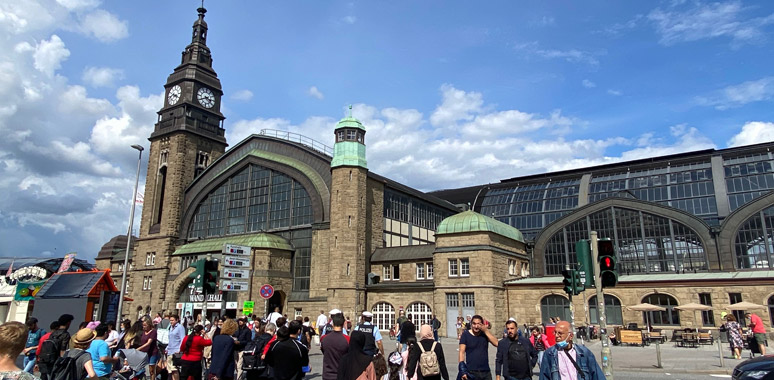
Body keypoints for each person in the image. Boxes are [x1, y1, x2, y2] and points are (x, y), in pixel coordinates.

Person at [538, 321, 605, 380]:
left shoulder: (584, 353)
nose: (556, 336)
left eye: (560, 333)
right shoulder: (550, 354)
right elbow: (544, 377)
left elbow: (597, 375)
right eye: (555, 332)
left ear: (571, 336)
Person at [459, 315, 498, 380]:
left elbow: (497, 343)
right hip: (471, 371)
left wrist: (485, 331)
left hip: (485, 371)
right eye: (474, 324)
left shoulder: (484, 334)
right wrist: (462, 370)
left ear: (482, 324)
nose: (476, 326)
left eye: (478, 324)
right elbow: (461, 352)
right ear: (471, 324)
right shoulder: (465, 335)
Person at [321, 314, 350, 380]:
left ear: (332, 324)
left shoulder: (324, 338)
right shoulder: (347, 339)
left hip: (327, 374)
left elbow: (324, 351)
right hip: (342, 374)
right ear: (343, 325)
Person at [166, 314, 186, 380]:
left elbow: (183, 339)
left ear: (177, 320)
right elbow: (170, 339)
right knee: (169, 370)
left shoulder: (180, 327)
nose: (171, 322)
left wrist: (180, 349)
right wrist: (167, 348)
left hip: (176, 351)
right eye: (170, 320)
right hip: (169, 351)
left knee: (174, 369)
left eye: (172, 320)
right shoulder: (170, 327)